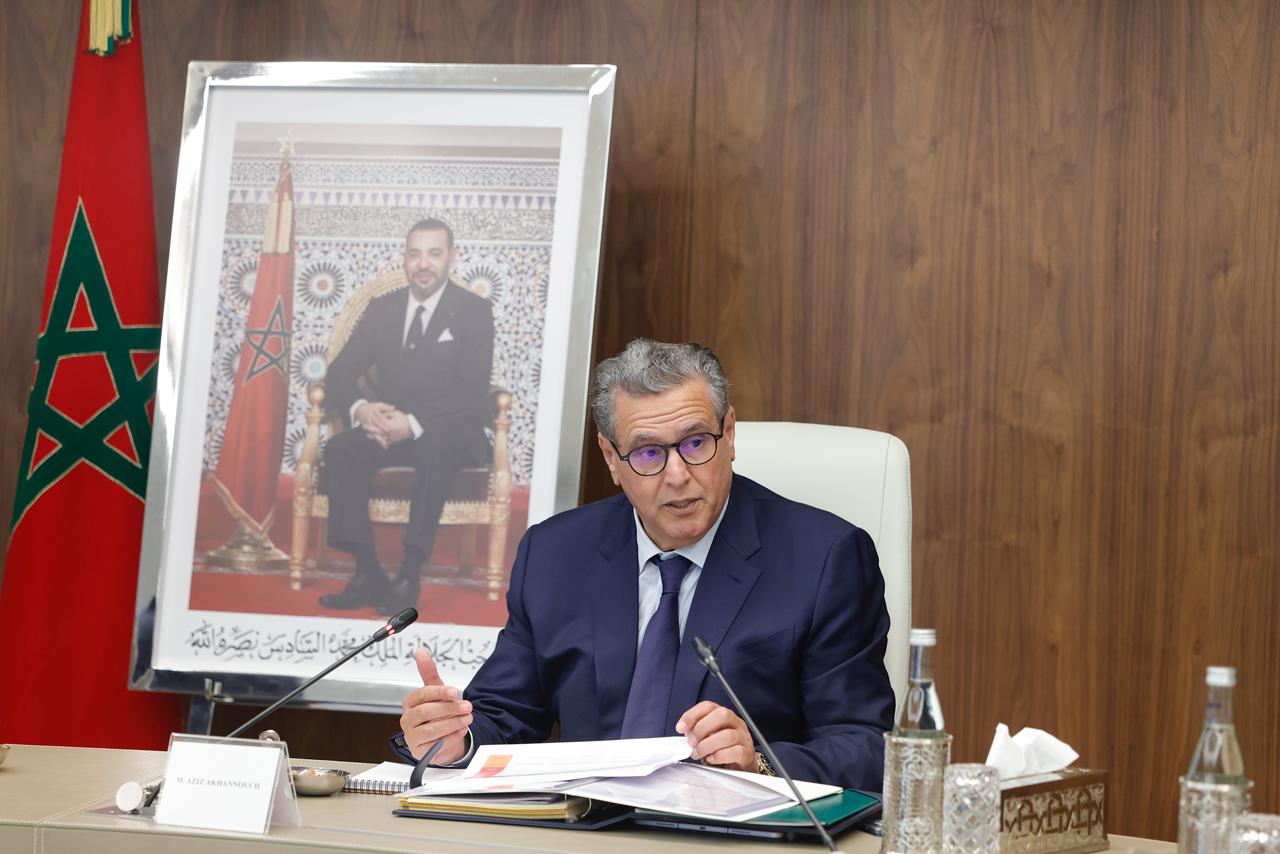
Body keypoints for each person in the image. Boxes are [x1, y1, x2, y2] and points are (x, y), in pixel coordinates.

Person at [394, 339, 893, 789]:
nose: (677, 475)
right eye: (649, 453)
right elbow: (508, 714)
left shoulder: (825, 558)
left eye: (696, 443)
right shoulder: (554, 554)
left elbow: (866, 747)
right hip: (583, 833)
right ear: (611, 458)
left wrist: (759, 763)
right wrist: (453, 741)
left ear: (729, 434)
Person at [318, 219, 494, 613]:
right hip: (389, 429)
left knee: (434, 447)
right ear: (404, 259)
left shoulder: (474, 311)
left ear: (452, 257)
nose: (423, 263)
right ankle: (368, 571)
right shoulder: (383, 309)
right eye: (415, 254)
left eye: (434, 253)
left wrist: (412, 424)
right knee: (341, 449)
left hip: (450, 434)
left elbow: (471, 390)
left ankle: (409, 574)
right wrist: (362, 410)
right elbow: (340, 371)